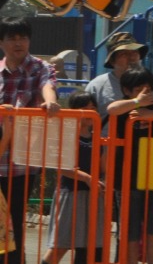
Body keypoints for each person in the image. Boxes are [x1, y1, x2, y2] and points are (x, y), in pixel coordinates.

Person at [105, 67, 153, 264]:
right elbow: (112, 109)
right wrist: (136, 103)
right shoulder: (124, 106)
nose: (144, 93)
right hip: (126, 179)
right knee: (129, 232)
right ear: (126, 90)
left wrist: (148, 113)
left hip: (152, 177)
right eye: (138, 89)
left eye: (147, 88)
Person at [0, 15, 61, 264]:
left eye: (23, 37)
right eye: (12, 38)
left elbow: (48, 85)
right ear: (1, 42)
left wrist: (51, 102)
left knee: (14, 220)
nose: (18, 43)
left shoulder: (40, 67)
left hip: (21, 162)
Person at [43, 91, 100, 264]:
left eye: (93, 108)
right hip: (70, 193)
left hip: (91, 194)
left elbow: (103, 165)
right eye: (86, 108)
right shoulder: (67, 134)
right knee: (60, 245)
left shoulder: (97, 137)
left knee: (87, 246)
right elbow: (63, 167)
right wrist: (87, 178)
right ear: (75, 110)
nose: (90, 112)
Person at [84, 32, 150, 117]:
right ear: (112, 61)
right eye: (124, 54)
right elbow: (81, 118)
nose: (131, 58)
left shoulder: (149, 86)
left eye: (134, 52)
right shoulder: (96, 86)